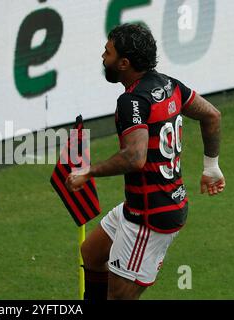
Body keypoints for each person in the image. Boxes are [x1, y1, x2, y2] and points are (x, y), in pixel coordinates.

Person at [65, 23, 225, 300]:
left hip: (149, 219)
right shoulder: (169, 85)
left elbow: (135, 157)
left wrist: (89, 173)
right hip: (145, 205)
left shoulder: (132, 101)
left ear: (124, 63)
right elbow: (212, 115)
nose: (103, 57)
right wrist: (211, 168)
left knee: (118, 297)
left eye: (108, 52)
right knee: (91, 252)